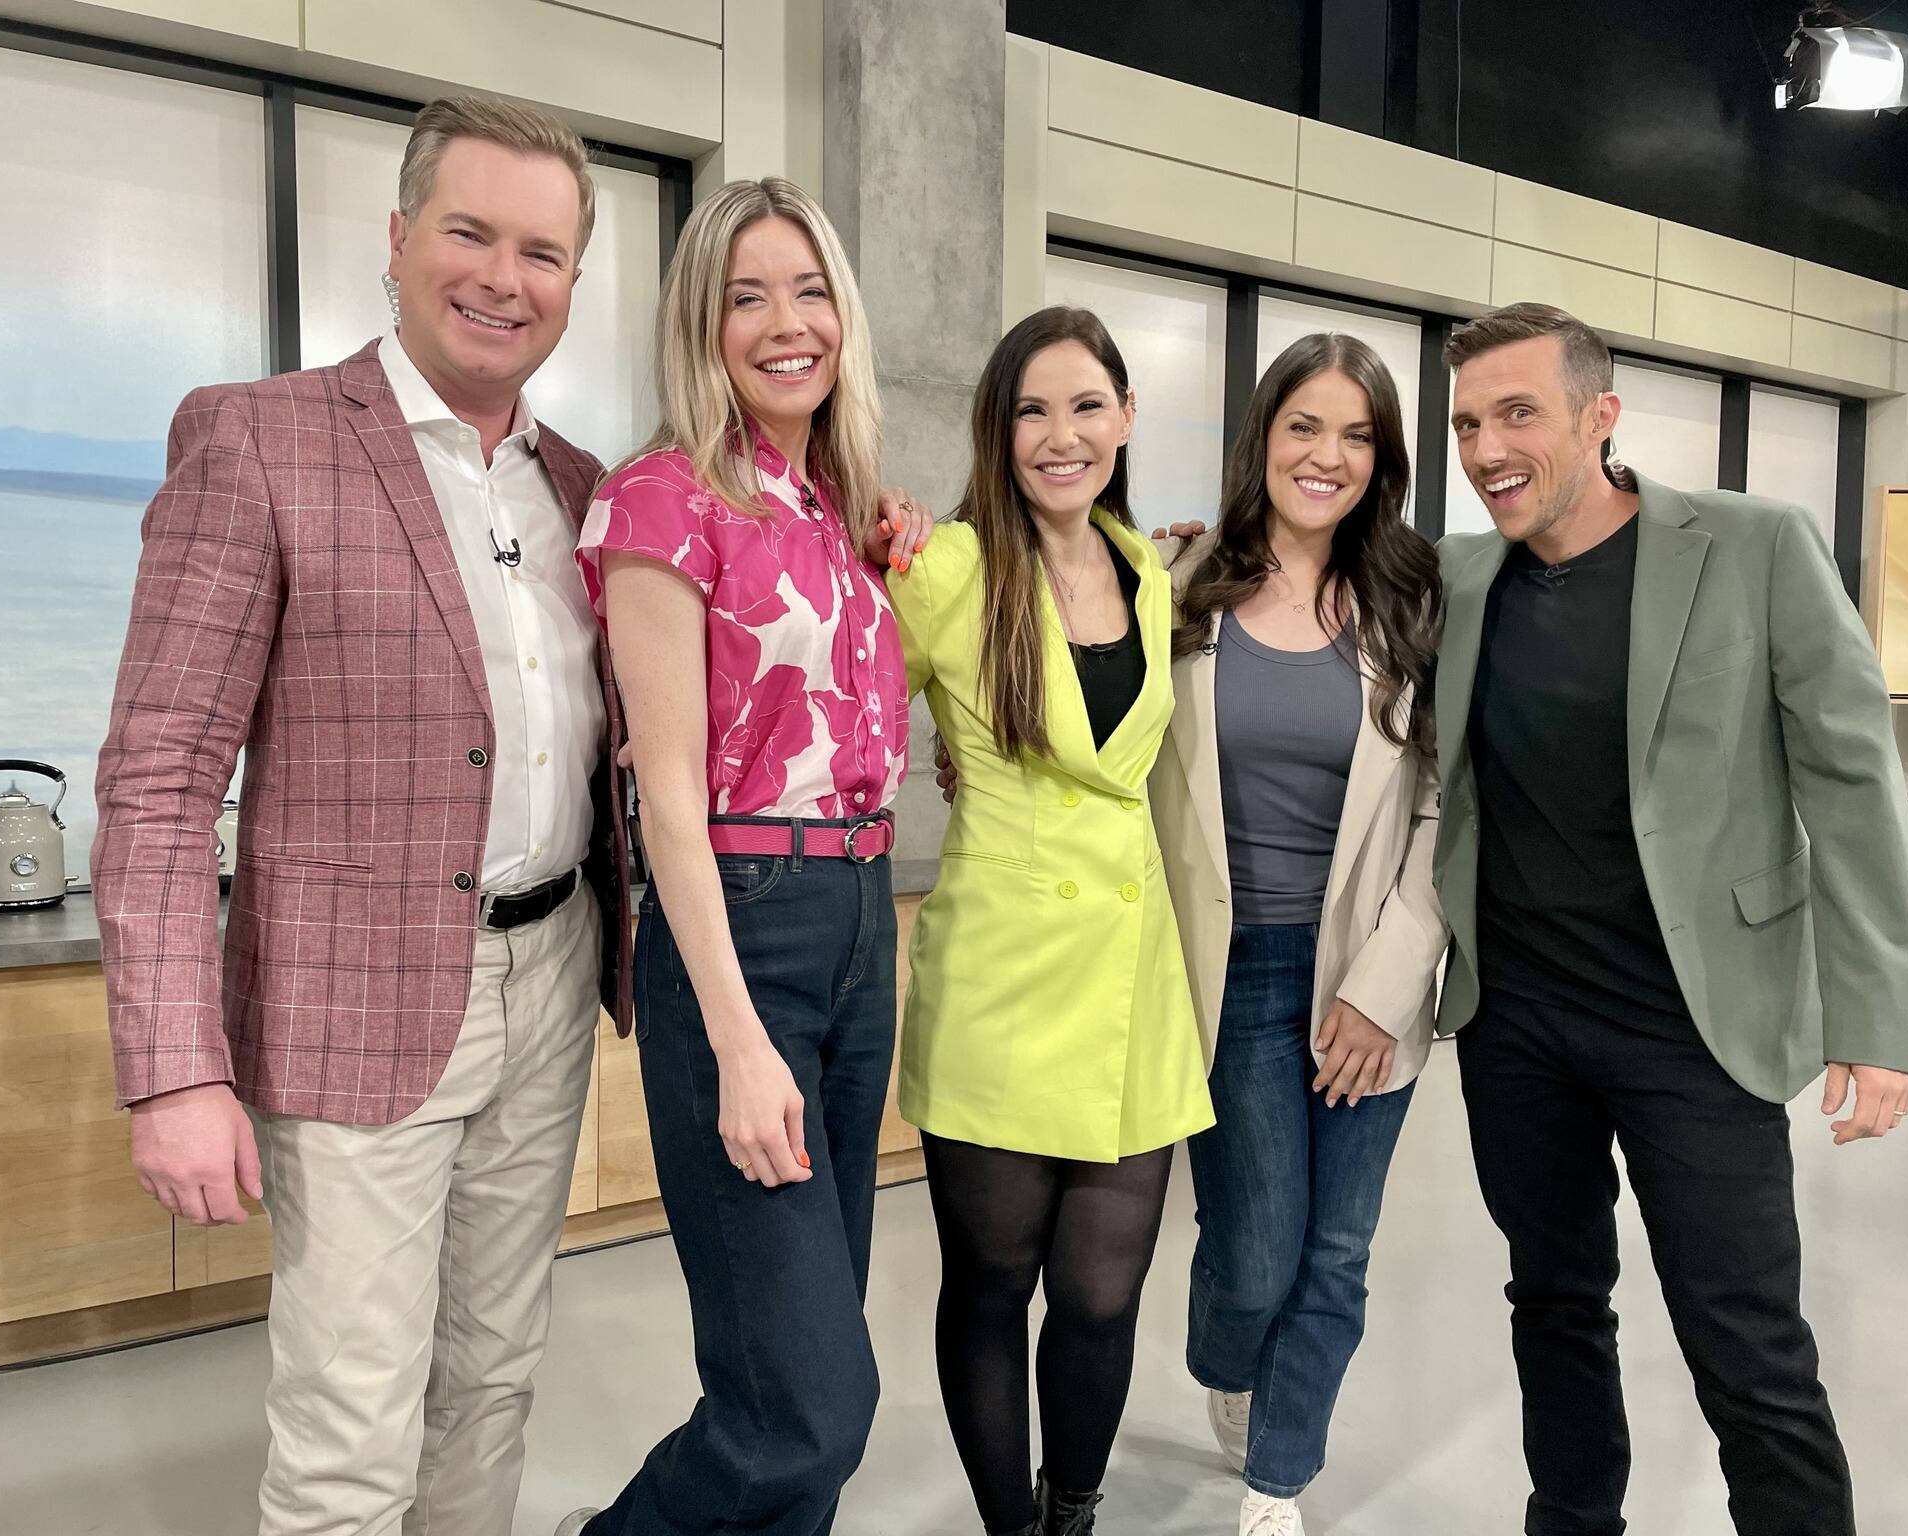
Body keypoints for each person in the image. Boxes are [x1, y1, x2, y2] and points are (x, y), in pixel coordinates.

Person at [95, 96, 627, 1534]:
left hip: (552, 975)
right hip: (346, 995)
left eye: (542, 252)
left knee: (492, 1381)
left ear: (574, 281)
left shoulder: (582, 488)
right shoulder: (257, 440)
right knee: (351, 1428)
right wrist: (172, 1072)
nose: (503, 278)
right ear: (396, 240)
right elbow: (159, 777)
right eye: (469, 232)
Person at [1433, 301, 1908, 1536]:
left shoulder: (1754, 547)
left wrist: (1875, 1018)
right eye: (1465, 424)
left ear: (1598, 416)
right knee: (1552, 1306)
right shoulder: (1457, 577)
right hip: (1516, 1025)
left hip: (1694, 1026)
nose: (1485, 448)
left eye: (1515, 413)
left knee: (1746, 1345)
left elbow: (1849, 782)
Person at [558, 177, 926, 1536]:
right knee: (810, 1404)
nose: (787, 324)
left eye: (810, 291)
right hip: (743, 929)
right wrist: (735, 1038)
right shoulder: (660, 499)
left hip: (860, 921)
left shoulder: (846, 511)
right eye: (747, 297)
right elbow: (663, 799)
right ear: (700, 325)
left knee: (794, 1373)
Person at [889, 305, 1214, 1536]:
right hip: (1000, 980)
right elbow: (844, 709)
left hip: (1132, 980)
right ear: (998, 428)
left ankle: (1069, 1510)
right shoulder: (946, 569)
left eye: (1085, 405)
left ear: (1125, 417)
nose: (1059, 434)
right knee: (990, 1285)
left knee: (1098, 1295)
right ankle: (1010, 1529)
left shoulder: (1146, 570)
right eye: (1030, 410)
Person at [1150, 333, 1447, 1536]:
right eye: (1303, 427)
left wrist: (1385, 984)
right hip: (1226, 974)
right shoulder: (1177, 583)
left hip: (1364, 972)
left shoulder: (1411, 601)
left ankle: (1277, 1479)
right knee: (1253, 1257)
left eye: (1356, 436)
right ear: (1262, 438)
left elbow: (1442, 806)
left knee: (1335, 1252)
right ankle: (1225, 1362)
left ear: (1382, 461)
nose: (1326, 456)